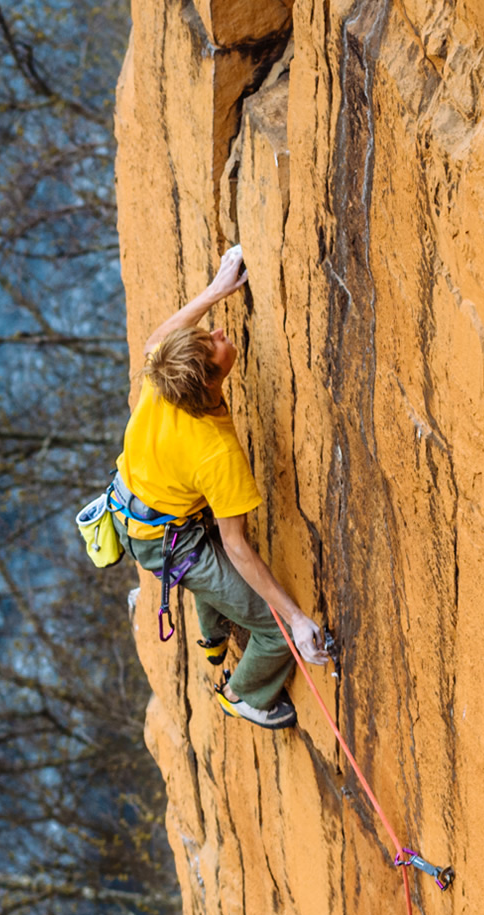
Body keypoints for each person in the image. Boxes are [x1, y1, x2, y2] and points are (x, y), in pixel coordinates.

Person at [112, 246, 328, 729]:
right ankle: (244, 694)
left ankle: (213, 632)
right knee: (275, 632)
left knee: (207, 541)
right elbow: (235, 546)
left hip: (140, 508)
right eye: (215, 345)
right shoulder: (216, 452)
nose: (221, 332)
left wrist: (216, 289)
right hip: (166, 537)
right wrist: (294, 618)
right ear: (209, 384)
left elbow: (155, 339)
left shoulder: (161, 376)